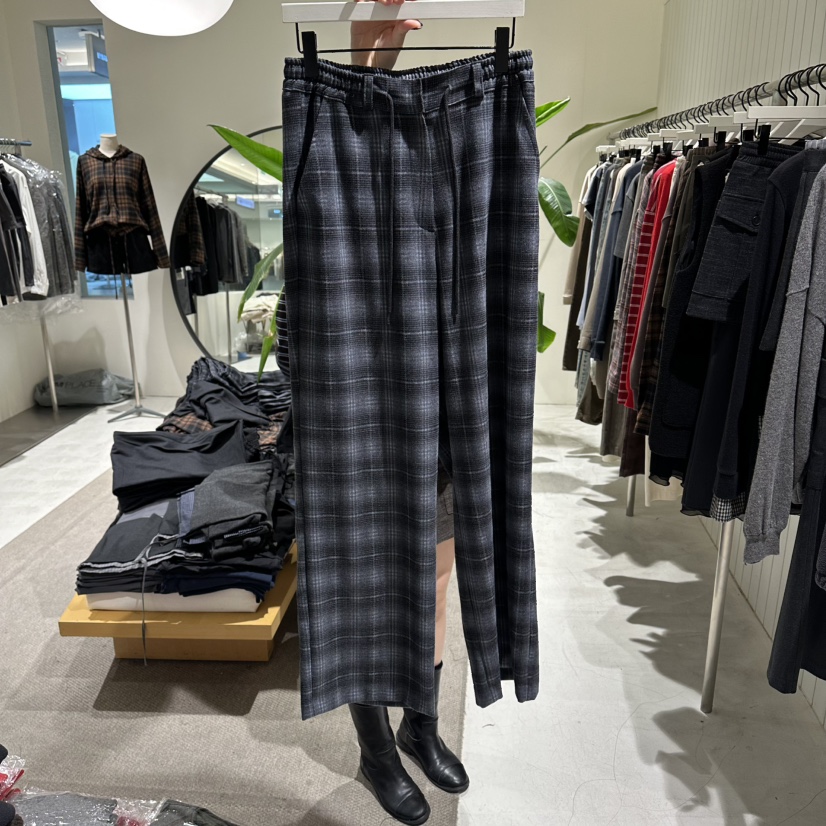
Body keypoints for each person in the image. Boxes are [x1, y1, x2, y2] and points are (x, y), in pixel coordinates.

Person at [278, 2, 468, 823]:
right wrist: (365, 61)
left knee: (435, 576)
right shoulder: (330, 199)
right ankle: (376, 748)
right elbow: (350, 143)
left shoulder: (458, 178)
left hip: (441, 405)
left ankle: (421, 724)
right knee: (363, 582)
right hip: (358, 409)